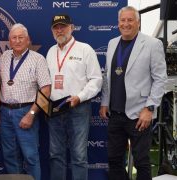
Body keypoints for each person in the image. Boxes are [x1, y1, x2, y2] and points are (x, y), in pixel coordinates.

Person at [99, 6, 167, 180]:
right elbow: (108, 75)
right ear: (118, 23)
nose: (126, 24)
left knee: (142, 162)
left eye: (130, 20)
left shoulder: (153, 44)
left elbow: (160, 79)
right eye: (123, 20)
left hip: (139, 114)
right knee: (114, 160)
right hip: (115, 114)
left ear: (138, 22)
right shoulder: (112, 43)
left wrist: (149, 108)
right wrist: (105, 102)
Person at [46, 14, 103, 180]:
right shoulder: (50, 52)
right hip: (55, 109)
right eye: (56, 27)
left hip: (78, 107)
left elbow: (96, 80)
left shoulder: (85, 49)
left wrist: (80, 97)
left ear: (72, 27)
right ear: (52, 31)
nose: (59, 30)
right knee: (55, 154)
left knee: (79, 156)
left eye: (63, 26)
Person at [0, 23, 51, 180]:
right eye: (14, 37)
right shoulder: (5, 57)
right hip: (5, 113)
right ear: (9, 40)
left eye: (21, 37)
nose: (18, 41)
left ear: (28, 40)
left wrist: (32, 114)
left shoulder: (38, 59)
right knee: (10, 157)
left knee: (30, 157)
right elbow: (0, 86)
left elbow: (46, 89)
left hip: (26, 111)